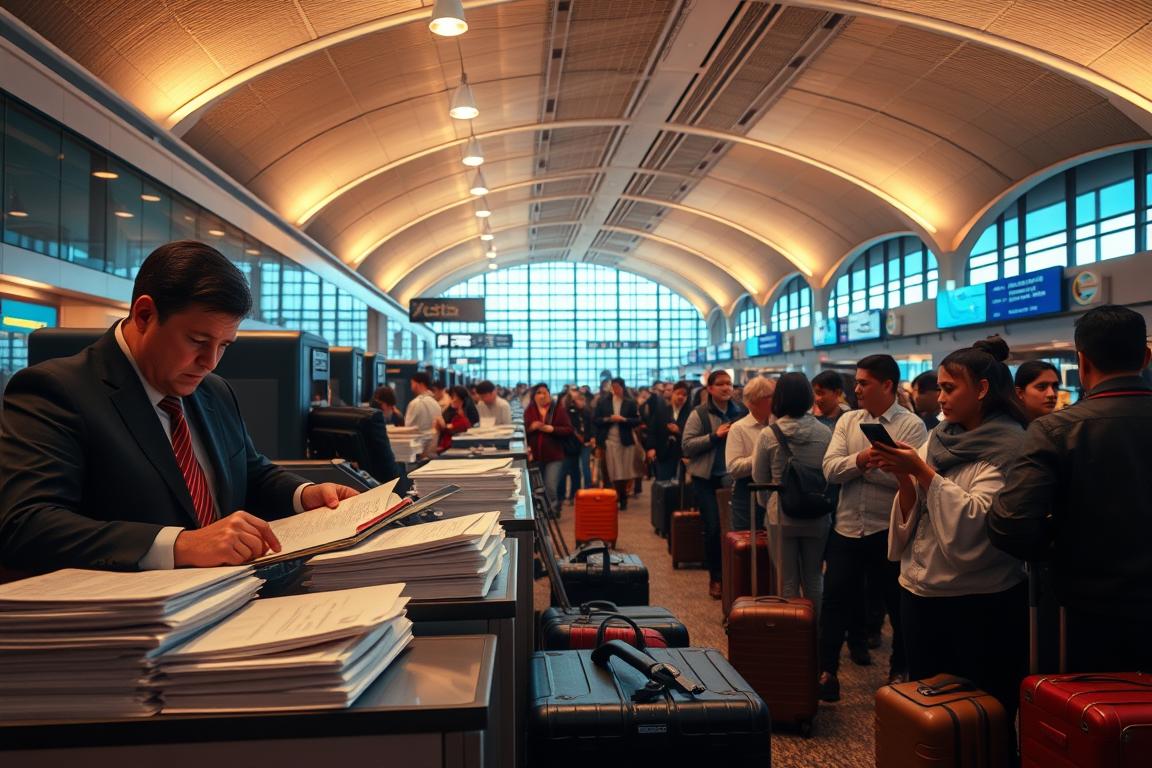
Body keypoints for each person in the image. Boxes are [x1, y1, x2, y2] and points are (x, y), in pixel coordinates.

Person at [0, 240, 358, 573]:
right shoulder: (57, 390)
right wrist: (180, 545)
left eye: (224, 346)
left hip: (234, 597)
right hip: (133, 620)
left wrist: (304, 495)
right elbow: (25, 524)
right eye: (198, 341)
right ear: (144, 315)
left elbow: (250, 473)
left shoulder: (214, 392)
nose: (210, 362)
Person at [989, 305, 1152, 673]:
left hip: (1088, 609)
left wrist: (1059, 543)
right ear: (1145, 356)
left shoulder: (1057, 430)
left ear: (1083, 361)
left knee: (1094, 717)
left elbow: (1010, 524)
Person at [872, 337, 1028, 722]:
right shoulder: (941, 437)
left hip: (977, 602)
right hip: (921, 593)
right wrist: (905, 479)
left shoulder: (1010, 446)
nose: (939, 398)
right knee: (930, 709)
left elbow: (977, 525)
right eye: (939, 387)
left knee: (982, 711)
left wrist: (922, 473)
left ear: (982, 389)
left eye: (948, 388)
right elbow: (916, 514)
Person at [818, 354, 928, 701]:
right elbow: (831, 470)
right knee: (835, 601)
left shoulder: (911, 426)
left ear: (887, 385)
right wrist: (865, 460)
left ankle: (900, 668)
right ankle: (826, 672)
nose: (857, 389)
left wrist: (873, 469)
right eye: (857, 382)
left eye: (864, 382)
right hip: (848, 527)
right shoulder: (849, 421)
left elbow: (912, 481)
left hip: (889, 531)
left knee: (897, 605)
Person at [752, 372, 833, 619]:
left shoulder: (769, 434)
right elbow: (830, 472)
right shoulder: (824, 433)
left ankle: (794, 638)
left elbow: (759, 478)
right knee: (814, 577)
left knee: (787, 581)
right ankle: (814, 637)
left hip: (781, 515)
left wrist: (772, 505)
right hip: (817, 513)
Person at [682, 369, 746, 599]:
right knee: (713, 529)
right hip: (706, 479)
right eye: (720, 384)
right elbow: (687, 446)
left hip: (733, 478)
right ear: (710, 389)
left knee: (735, 530)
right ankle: (716, 577)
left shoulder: (740, 412)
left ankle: (735, 577)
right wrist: (714, 436)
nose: (727, 388)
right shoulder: (699, 414)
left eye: (729, 383)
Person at [725, 376, 776, 532]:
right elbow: (733, 468)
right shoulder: (739, 428)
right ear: (756, 401)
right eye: (771, 397)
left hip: (775, 492)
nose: (775, 401)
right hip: (747, 493)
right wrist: (761, 458)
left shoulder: (779, 424)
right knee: (749, 544)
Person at [594, 378, 641, 509]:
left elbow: (637, 420)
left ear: (622, 387)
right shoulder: (603, 402)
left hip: (625, 440)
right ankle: (616, 497)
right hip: (609, 440)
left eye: (617, 387)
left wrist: (624, 419)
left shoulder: (630, 403)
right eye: (613, 387)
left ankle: (623, 497)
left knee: (624, 471)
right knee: (612, 471)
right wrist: (609, 419)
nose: (615, 389)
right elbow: (596, 420)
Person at [524, 383, 573, 510]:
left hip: (554, 455)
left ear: (549, 394)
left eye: (545, 392)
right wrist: (531, 428)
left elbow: (568, 429)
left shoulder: (557, 409)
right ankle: (545, 509)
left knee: (550, 485)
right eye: (539, 393)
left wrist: (552, 429)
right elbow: (523, 430)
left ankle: (552, 509)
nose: (542, 396)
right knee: (537, 486)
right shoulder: (530, 410)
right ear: (534, 396)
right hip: (536, 455)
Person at [646, 380, 691, 482]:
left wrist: (679, 431)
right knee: (663, 483)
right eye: (678, 393)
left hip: (682, 455)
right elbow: (653, 430)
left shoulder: (691, 413)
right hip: (664, 452)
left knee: (681, 487)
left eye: (684, 395)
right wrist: (651, 447)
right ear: (673, 394)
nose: (681, 397)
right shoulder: (662, 411)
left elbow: (694, 435)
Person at [558, 388, 593, 505]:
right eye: (578, 399)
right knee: (569, 470)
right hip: (571, 446)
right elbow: (571, 428)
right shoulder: (569, 411)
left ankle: (581, 492)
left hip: (584, 444)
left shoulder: (587, 412)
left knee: (582, 469)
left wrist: (589, 438)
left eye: (583, 399)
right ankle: (565, 496)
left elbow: (591, 426)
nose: (581, 402)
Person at [405, 372, 443, 458]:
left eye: (412, 383)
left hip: (418, 451)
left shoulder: (415, 403)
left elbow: (408, 429)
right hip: (432, 448)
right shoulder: (435, 403)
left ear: (420, 384)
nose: (411, 386)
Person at [436, 386, 474, 453]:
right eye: (452, 397)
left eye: (455, 397)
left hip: (455, 447)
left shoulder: (464, 416)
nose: (453, 400)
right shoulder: (449, 411)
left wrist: (444, 426)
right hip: (444, 446)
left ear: (462, 400)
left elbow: (460, 427)